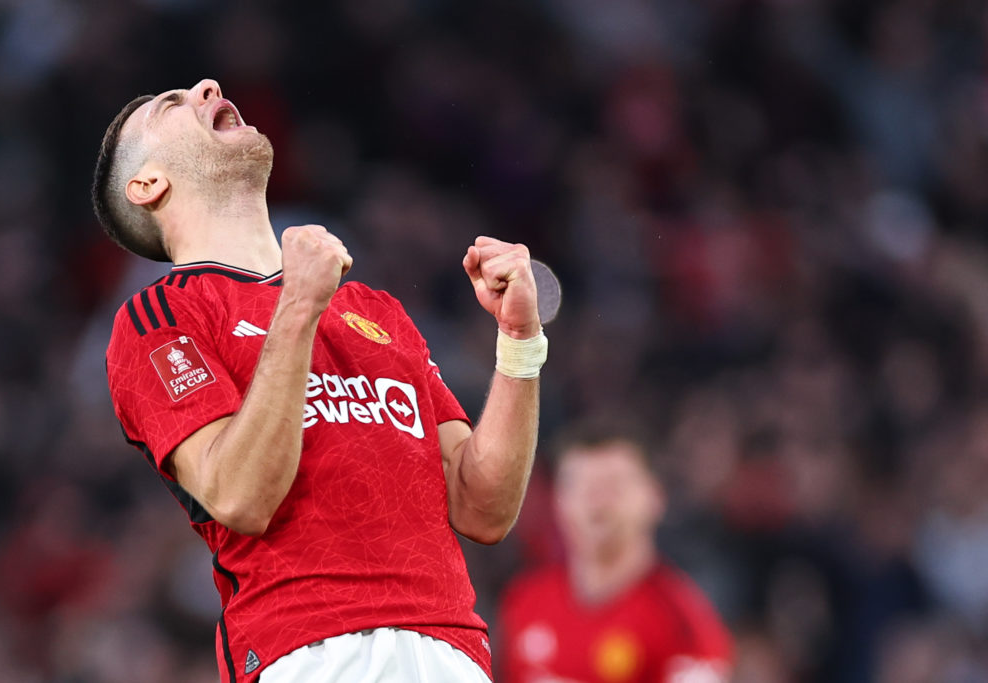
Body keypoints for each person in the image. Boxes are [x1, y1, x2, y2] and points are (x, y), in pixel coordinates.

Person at [92, 78, 548, 683]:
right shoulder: (161, 318)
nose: (208, 87)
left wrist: (519, 345)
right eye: (172, 105)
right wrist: (298, 306)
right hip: (309, 651)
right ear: (148, 184)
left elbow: (482, 507)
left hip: (451, 650)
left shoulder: (374, 309)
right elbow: (239, 496)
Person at [497, 422, 732, 683]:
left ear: (655, 497)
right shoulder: (524, 602)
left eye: (613, 486)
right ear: (557, 501)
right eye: (581, 486)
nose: (596, 503)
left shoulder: (684, 623)